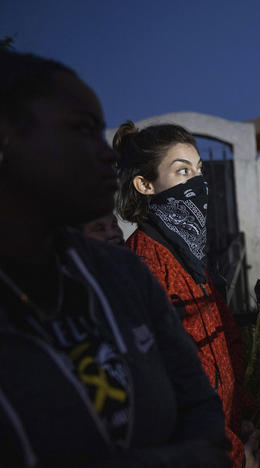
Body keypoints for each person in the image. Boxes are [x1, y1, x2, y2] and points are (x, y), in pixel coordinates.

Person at [0, 51, 229, 466]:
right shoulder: (145, 258)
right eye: (82, 130)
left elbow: (201, 402)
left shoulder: (121, 275)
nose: (106, 154)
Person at [114, 121, 259, 468]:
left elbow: (225, 342)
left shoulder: (192, 258)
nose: (197, 183)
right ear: (145, 184)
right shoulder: (142, 266)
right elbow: (164, 394)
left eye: (199, 171)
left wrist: (243, 415)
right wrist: (234, 456)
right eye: (182, 172)